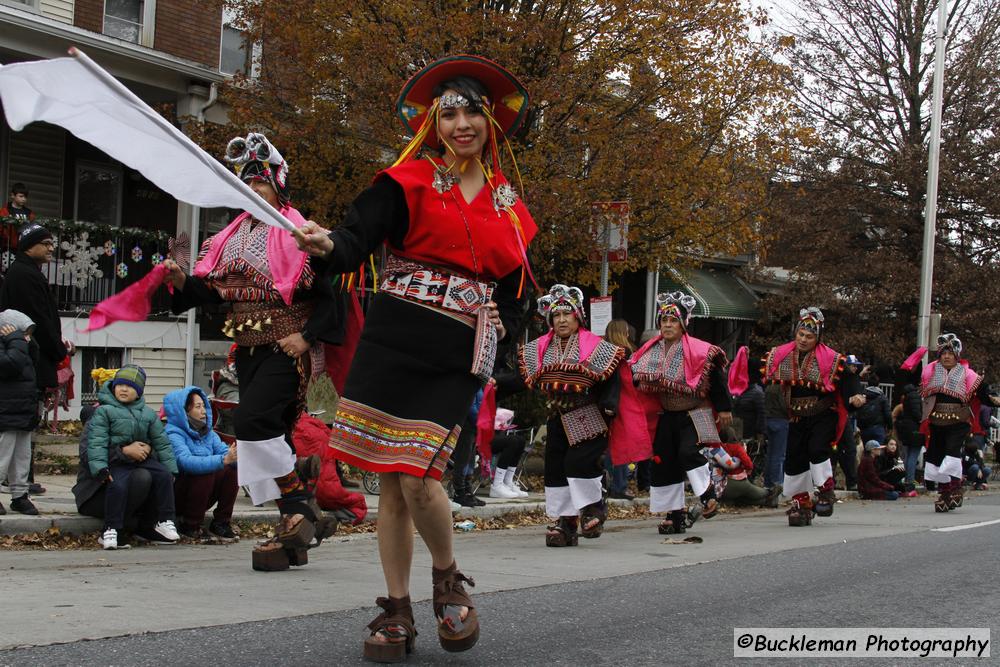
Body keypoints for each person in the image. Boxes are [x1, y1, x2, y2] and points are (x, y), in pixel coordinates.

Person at [295, 56, 537, 660]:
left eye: (470, 113)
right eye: (448, 113)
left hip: (455, 353)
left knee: (419, 477)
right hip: (391, 343)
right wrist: (328, 245)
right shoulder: (404, 183)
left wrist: (508, 337)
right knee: (391, 485)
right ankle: (396, 609)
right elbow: (354, 241)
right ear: (432, 124)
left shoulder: (511, 206)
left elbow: (516, 289)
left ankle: (448, 580)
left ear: (490, 123)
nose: (460, 124)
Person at [164, 132, 342, 570]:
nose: (254, 190)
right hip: (246, 348)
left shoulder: (299, 231)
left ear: (277, 185)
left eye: (261, 182)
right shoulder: (227, 237)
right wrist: (181, 281)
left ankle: (300, 504)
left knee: (251, 422)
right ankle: (295, 534)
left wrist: (307, 337)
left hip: (287, 347)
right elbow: (212, 290)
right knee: (272, 435)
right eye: (246, 183)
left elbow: (333, 294)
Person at [519, 284, 624, 546]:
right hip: (556, 415)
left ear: (578, 317)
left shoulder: (597, 346)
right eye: (556, 315)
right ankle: (565, 524)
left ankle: (593, 508)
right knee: (555, 469)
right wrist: (496, 384)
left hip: (588, 414)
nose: (562, 320)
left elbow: (612, 379)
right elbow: (525, 379)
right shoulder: (540, 348)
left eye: (567, 314)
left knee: (578, 463)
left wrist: (610, 404)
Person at [627, 291, 731, 535]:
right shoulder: (649, 351)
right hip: (667, 414)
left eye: (673, 320)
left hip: (696, 413)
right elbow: (634, 379)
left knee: (687, 451)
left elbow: (716, 379)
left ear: (684, 323)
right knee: (664, 462)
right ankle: (674, 514)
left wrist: (725, 408)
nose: (667, 325)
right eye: (664, 320)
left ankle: (708, 495)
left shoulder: (700, 351)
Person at [762, 307, 865, 527]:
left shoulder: (831, 358)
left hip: (822, 413)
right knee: (794, 458)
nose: (803, 339)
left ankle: (825, 490)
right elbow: (764, 375)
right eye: (801, 334)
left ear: (817, 338)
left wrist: (856, 395)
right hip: (796, 416)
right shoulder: (782, 355)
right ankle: (802, 502)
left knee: (817, 448)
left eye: (809, 336)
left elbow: (849, 378)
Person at [0, 223, 73, 495]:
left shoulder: (29, 273)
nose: (51, 248)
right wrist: (57, 350)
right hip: (27, 360)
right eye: (46, 243)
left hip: (33, 357)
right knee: (17, 426)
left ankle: (21, 481)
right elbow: (37, 318)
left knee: (28, 423)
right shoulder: (23, 275)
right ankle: (14, 480)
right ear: (30, 245)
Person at [87, 365, 180, 550]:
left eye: (129, 387)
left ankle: (165, 520)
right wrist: (101, 468)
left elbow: (161, 442)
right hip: (118, 461)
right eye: (120, 385)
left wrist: (171, 468)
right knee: (118, 484)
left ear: (138, 392)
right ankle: (111, 528)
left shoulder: (147, 414)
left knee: (163, 475)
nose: (123, 389)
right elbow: (97, 442)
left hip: (141, 459)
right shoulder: (104, 411)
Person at [908, 334, 1000, 512]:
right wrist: (914, 360)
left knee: (951, 452)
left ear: (957, 355)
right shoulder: (930, 371)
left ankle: (955, 486)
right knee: (935, 456)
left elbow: (983, 392)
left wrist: (993, 399)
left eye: (950, 354)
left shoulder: (967, 374)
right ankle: (945, 491)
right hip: (936, 420)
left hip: (959, 420)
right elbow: (912, 380)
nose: (946, 357)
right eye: (943, 354)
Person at [163, 386, 239, 541]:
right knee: (207, 470)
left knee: (231, 470)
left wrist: (238, 457)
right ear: (184, 411)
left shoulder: (208, 433)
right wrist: (222, 460)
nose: (204, 411)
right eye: (198, 407)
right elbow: (184, 461)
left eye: (204, 406)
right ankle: (190, 525)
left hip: (202, 494)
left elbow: (224, 452)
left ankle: (221, 523)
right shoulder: (173, 433)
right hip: (178, 494)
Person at [0, 309, 39, 515]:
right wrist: (16, 340)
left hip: (23, 410)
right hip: (6, 412)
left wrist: (22, 342)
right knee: (2, 456)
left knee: (22, 457)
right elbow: (10, 365)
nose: (27, 336)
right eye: (24, 331)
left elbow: (33, 362)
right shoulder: (13, 344)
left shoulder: (21, 344)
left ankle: (20, 495)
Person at [604, 318, 637, 500]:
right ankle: (619, 485)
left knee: (608, 446)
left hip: (607, 403)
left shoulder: (604, 352)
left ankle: (609, 483)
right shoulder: (626, 354)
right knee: (621, 446)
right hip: (622, 403)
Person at [708, 427, 779, 507]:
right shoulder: (736, 447)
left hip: (721, 485)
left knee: (740, 498)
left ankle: (766, 502)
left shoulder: (717, 447)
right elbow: (741, 462)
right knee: (752, 491)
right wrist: (748, 467)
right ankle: (769, 492)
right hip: (736, 480)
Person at [487, 406, 528, 499]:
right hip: (481, 436)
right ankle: (496, 485)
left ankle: (507, 481)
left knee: (520, 440)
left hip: (493, 432)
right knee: (512, 441)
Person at [892, 382, 925, 488]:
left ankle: (905, 477)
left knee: (907, 455)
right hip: (915, 429)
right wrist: (922, 419)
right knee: (913, 455)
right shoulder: (915, 396)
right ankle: (910, 480)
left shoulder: (906, 397)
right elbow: (917, 414)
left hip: (906, 430)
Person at [762, 382, 788, 494]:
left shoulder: (768, 388)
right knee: (779, 454)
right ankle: (777, 483)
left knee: (771, 453)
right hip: (781, 420)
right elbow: (784, 405)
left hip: (769, 419)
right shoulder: (781, 389)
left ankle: (768, 483)